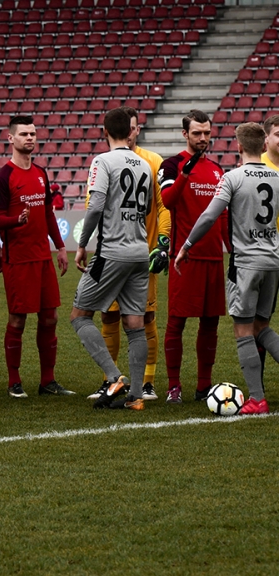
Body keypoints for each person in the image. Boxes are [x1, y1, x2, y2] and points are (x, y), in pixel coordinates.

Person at [175, 122, 277, 415]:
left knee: (243, 329)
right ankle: (257, 397)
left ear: (239, 146)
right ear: (264, 145)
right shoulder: (277, 176)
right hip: (273, 261)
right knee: (262, 327)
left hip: (245, 263)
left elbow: (209, 216)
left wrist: (186, 246)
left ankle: (257, 399)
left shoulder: (232, 178)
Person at [70, 107, 154, 410]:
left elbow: (96, 206)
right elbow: (146, 208)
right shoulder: (145, 165)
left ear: (104, 131)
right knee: (135, 323)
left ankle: (114, 376)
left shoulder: (102, 161)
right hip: (140, 252)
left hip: (112, 252)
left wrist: (82, 244)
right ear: (131, 131)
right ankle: (136, 396)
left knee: (79, 316)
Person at [0, 115, 73, 398]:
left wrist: (60, 247)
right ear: (10, 138)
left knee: (50, 318)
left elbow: (48, 213)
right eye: (24, 134)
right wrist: (16, 220)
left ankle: (47, 381)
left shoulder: (40, 173)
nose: (30, 138)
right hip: (18, 259)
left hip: (42, 258)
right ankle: (14, 381)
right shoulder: (2, 178)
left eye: (33, 134)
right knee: (17, 320)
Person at [92, 107, 172, 401]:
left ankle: (147, 382)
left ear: (137, 130)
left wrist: (162, 242)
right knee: (108, 316)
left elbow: (163, 206)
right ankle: (109, 380)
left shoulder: (154, 161)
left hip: (143, 254)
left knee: (145, 318)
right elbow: (95, 205)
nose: (132, 132)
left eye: (136, 127)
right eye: (130, 127)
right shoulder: (106, 163)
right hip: (114, 253)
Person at [158, 109, 227, 403]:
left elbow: (223, 216)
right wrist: (185, 173)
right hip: (183, 258)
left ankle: (203, 386)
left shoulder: (217, 170)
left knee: (210, 323)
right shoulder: (171, 165)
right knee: (177, 322)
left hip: (213, 258)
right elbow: (168, 201)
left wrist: (232, 251)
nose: (203, 138)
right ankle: (174, 386)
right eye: (197, 133)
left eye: (207, 133)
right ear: (185, 134)